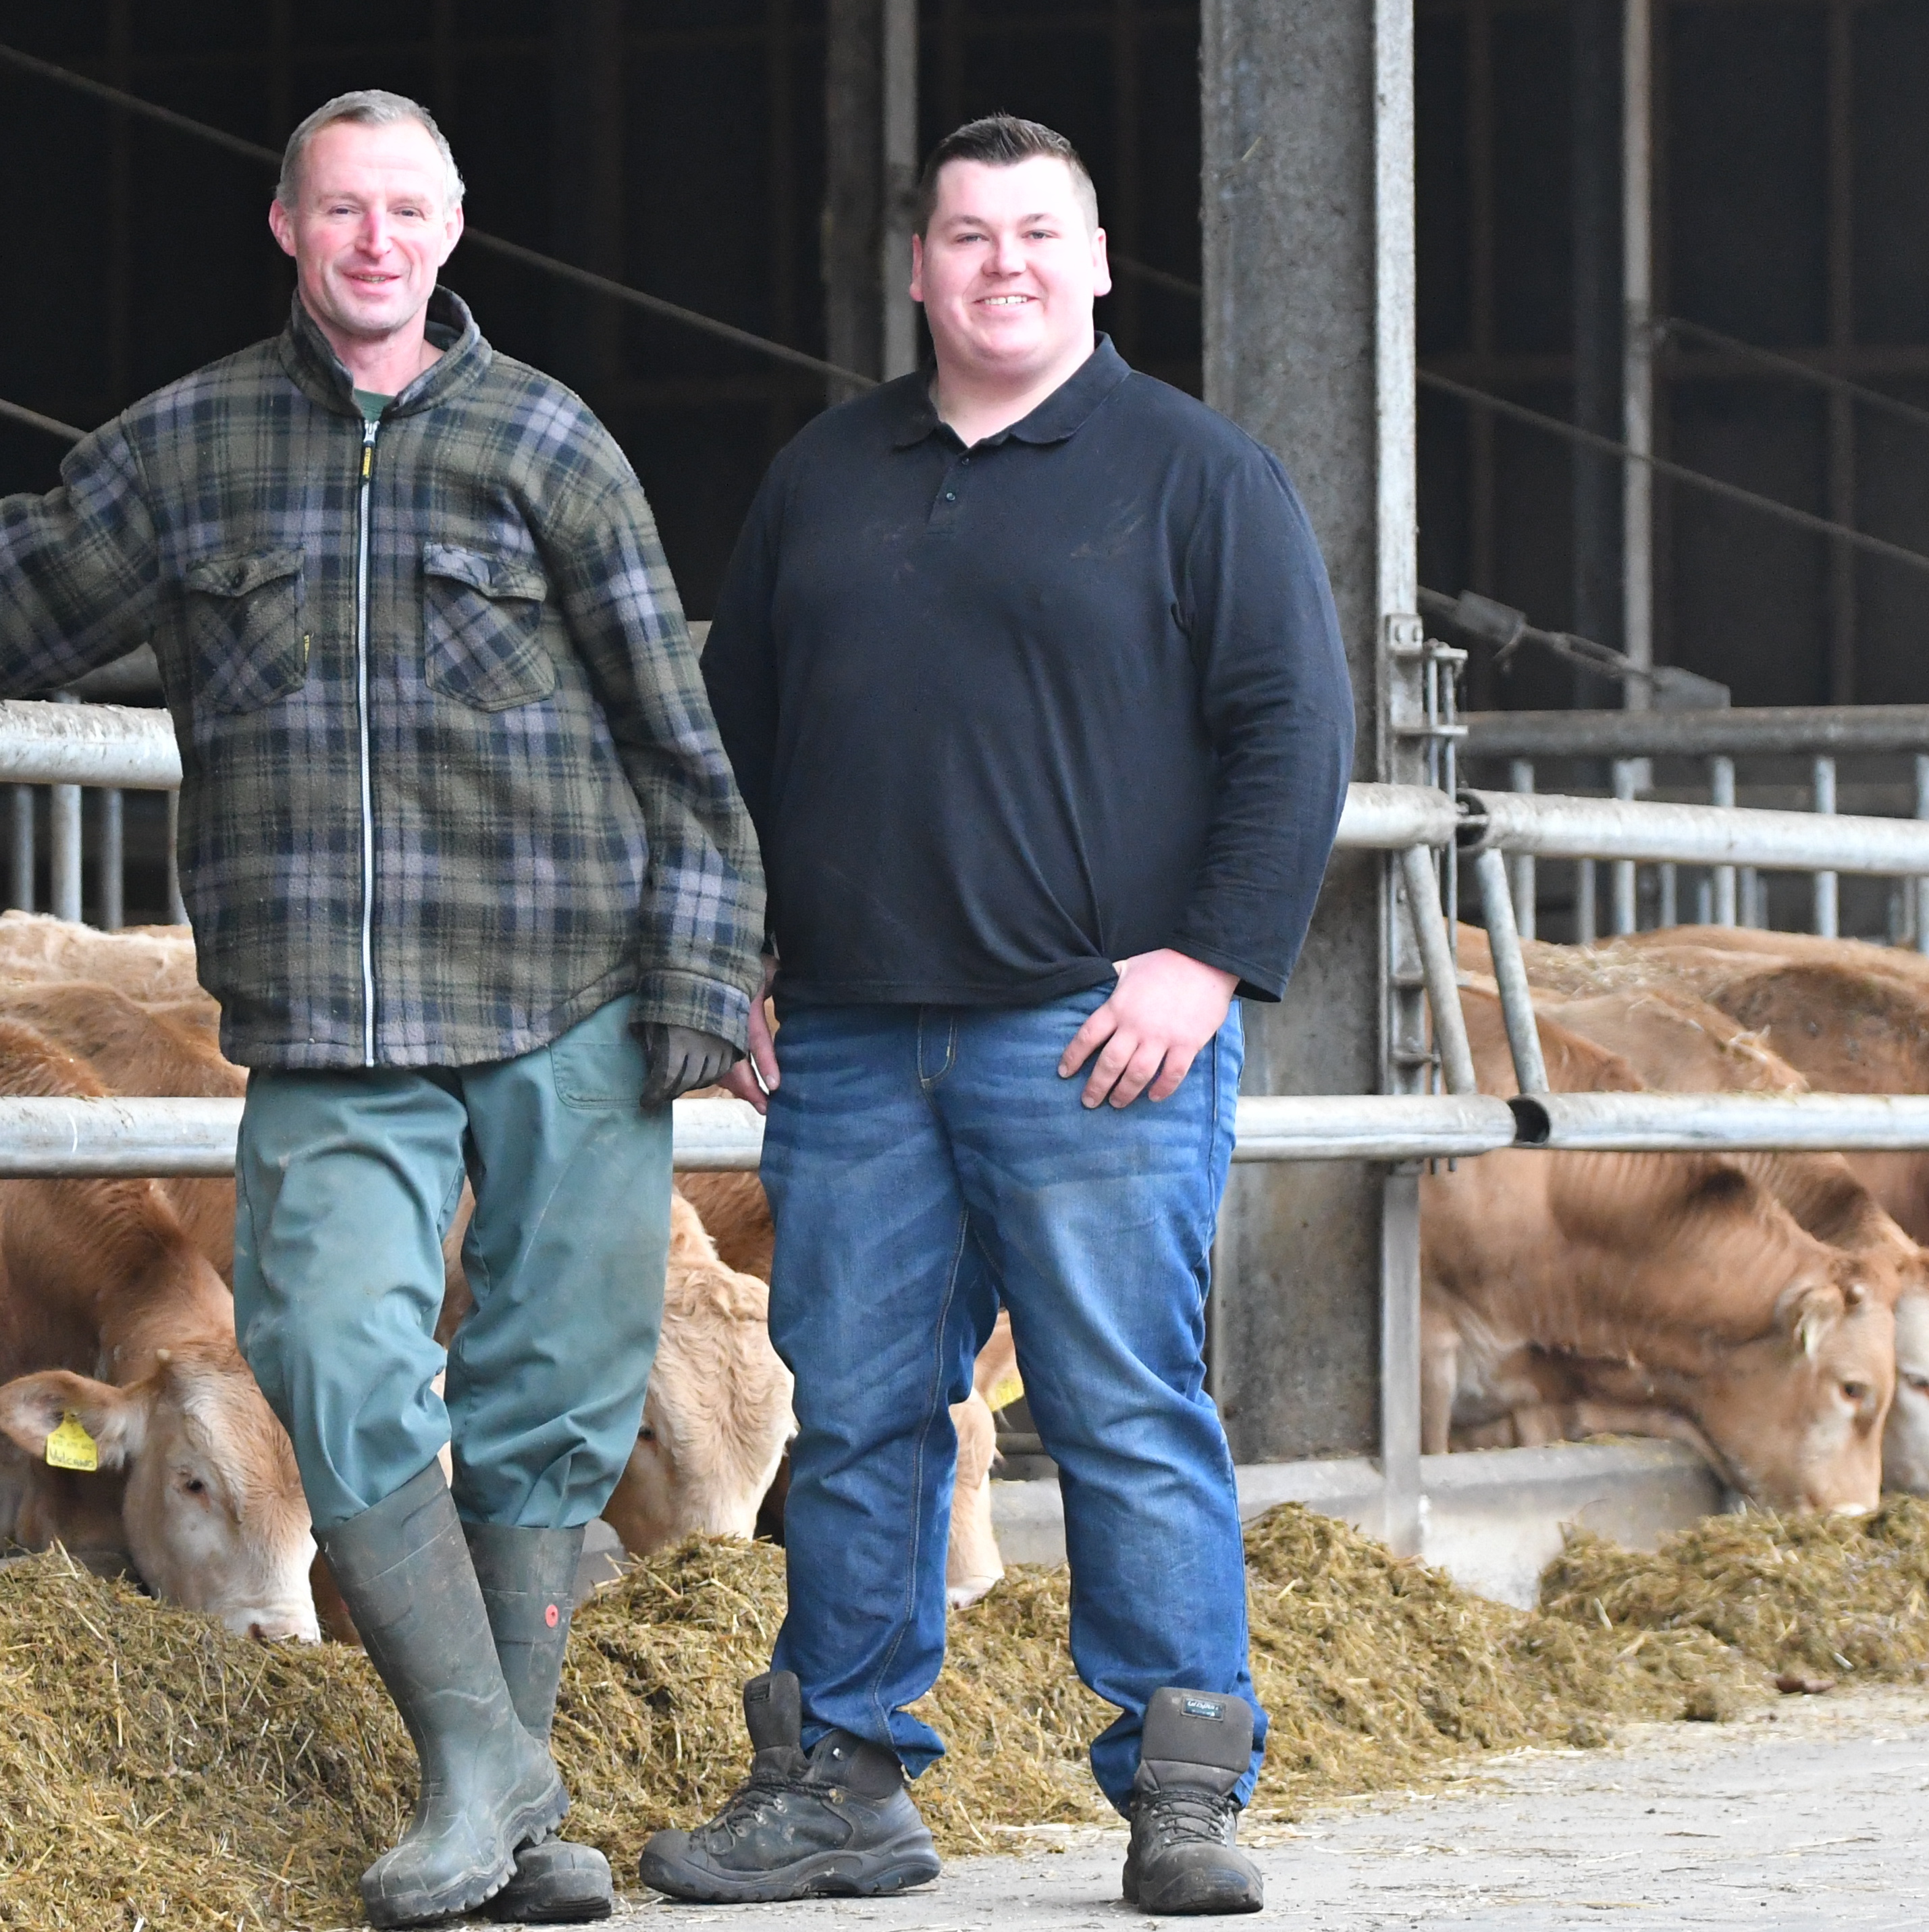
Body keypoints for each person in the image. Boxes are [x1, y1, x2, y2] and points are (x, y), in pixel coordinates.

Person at [0, 90, 764, 1926]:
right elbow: (23, 599)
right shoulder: (185, 452)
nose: (373, 242)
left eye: (405, 212)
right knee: (338, 1364)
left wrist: (704, 971)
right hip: (330, 1024)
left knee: (556, 1398)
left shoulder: (550, 447)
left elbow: (681, 735)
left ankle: (493, 1793)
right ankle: (497, 1773)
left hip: (569, 1007)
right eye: (340, 210)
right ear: (287, 229)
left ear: (451, 230)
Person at [644, 114, 1351, 1915]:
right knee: (862, 1409)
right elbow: (731, 746)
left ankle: (1183, 1793)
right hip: (861, 1042)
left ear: (1100, 261)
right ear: (920, 264)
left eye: (1040, 233)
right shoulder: (825, 475)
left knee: (1122, 1407)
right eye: (969, 235)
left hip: (1091, 1043)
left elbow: (1294, 733)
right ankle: (845, 1783)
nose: (1004, 264)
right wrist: (740, 965)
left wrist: (1204, 963)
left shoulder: (1197, 474)